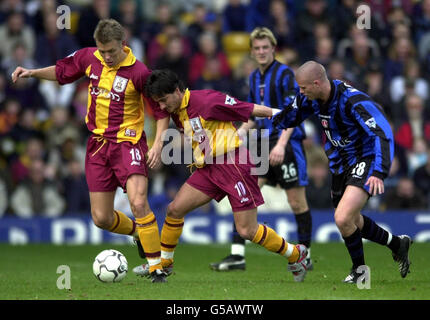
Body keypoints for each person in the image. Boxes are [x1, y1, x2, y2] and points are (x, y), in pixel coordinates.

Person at [11, 19, 170, 283]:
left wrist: (158, 143)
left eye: (111, 51)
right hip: (98, 146)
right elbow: (62, 72)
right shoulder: (89, 57)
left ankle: (157, 268)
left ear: (123, 44)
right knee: (102, 218)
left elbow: (161, 109)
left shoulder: (139, 72)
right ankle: (140, 232)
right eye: (102, 51)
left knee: (139, 202)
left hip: (128, 143)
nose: (106, 56)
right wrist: (32, 72)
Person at [132, 69, 309, 282]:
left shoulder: (208, 100)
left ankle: (296, 254)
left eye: (163, 101)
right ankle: (164, 265)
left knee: (247, 230)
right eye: (158, 102)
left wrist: (284, 113)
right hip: (208, 169)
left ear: (177, 91)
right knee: (174, 209)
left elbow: (249, 108)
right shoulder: (176, 109)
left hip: (234, 165)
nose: (161, 107)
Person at [273, 61, 413, 283]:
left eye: (303, 88)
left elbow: (382, 132)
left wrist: (378, 170)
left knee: (342, 217)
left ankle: (360, 271)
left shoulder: (352, 100)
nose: (300, 92)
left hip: (365, 160)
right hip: (340, 165)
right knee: (352, 220)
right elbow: (291, 114)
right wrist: (268, 118)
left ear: (317, 83)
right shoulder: (313, 98)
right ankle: (397, 244)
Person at [210, 27, 313, 272]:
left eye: (265, 47)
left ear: (273, 48)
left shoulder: (286, 74)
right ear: (252, 52)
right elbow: (254, 114)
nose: (261, 52)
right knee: (245, 194)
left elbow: (293, 113)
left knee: (297, 202)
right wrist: (238, 134)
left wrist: (281, 144)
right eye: (257, 48)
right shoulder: (255, 77)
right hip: (262, 144)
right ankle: (237, 256)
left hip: (285, 143)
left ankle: (304, 255)